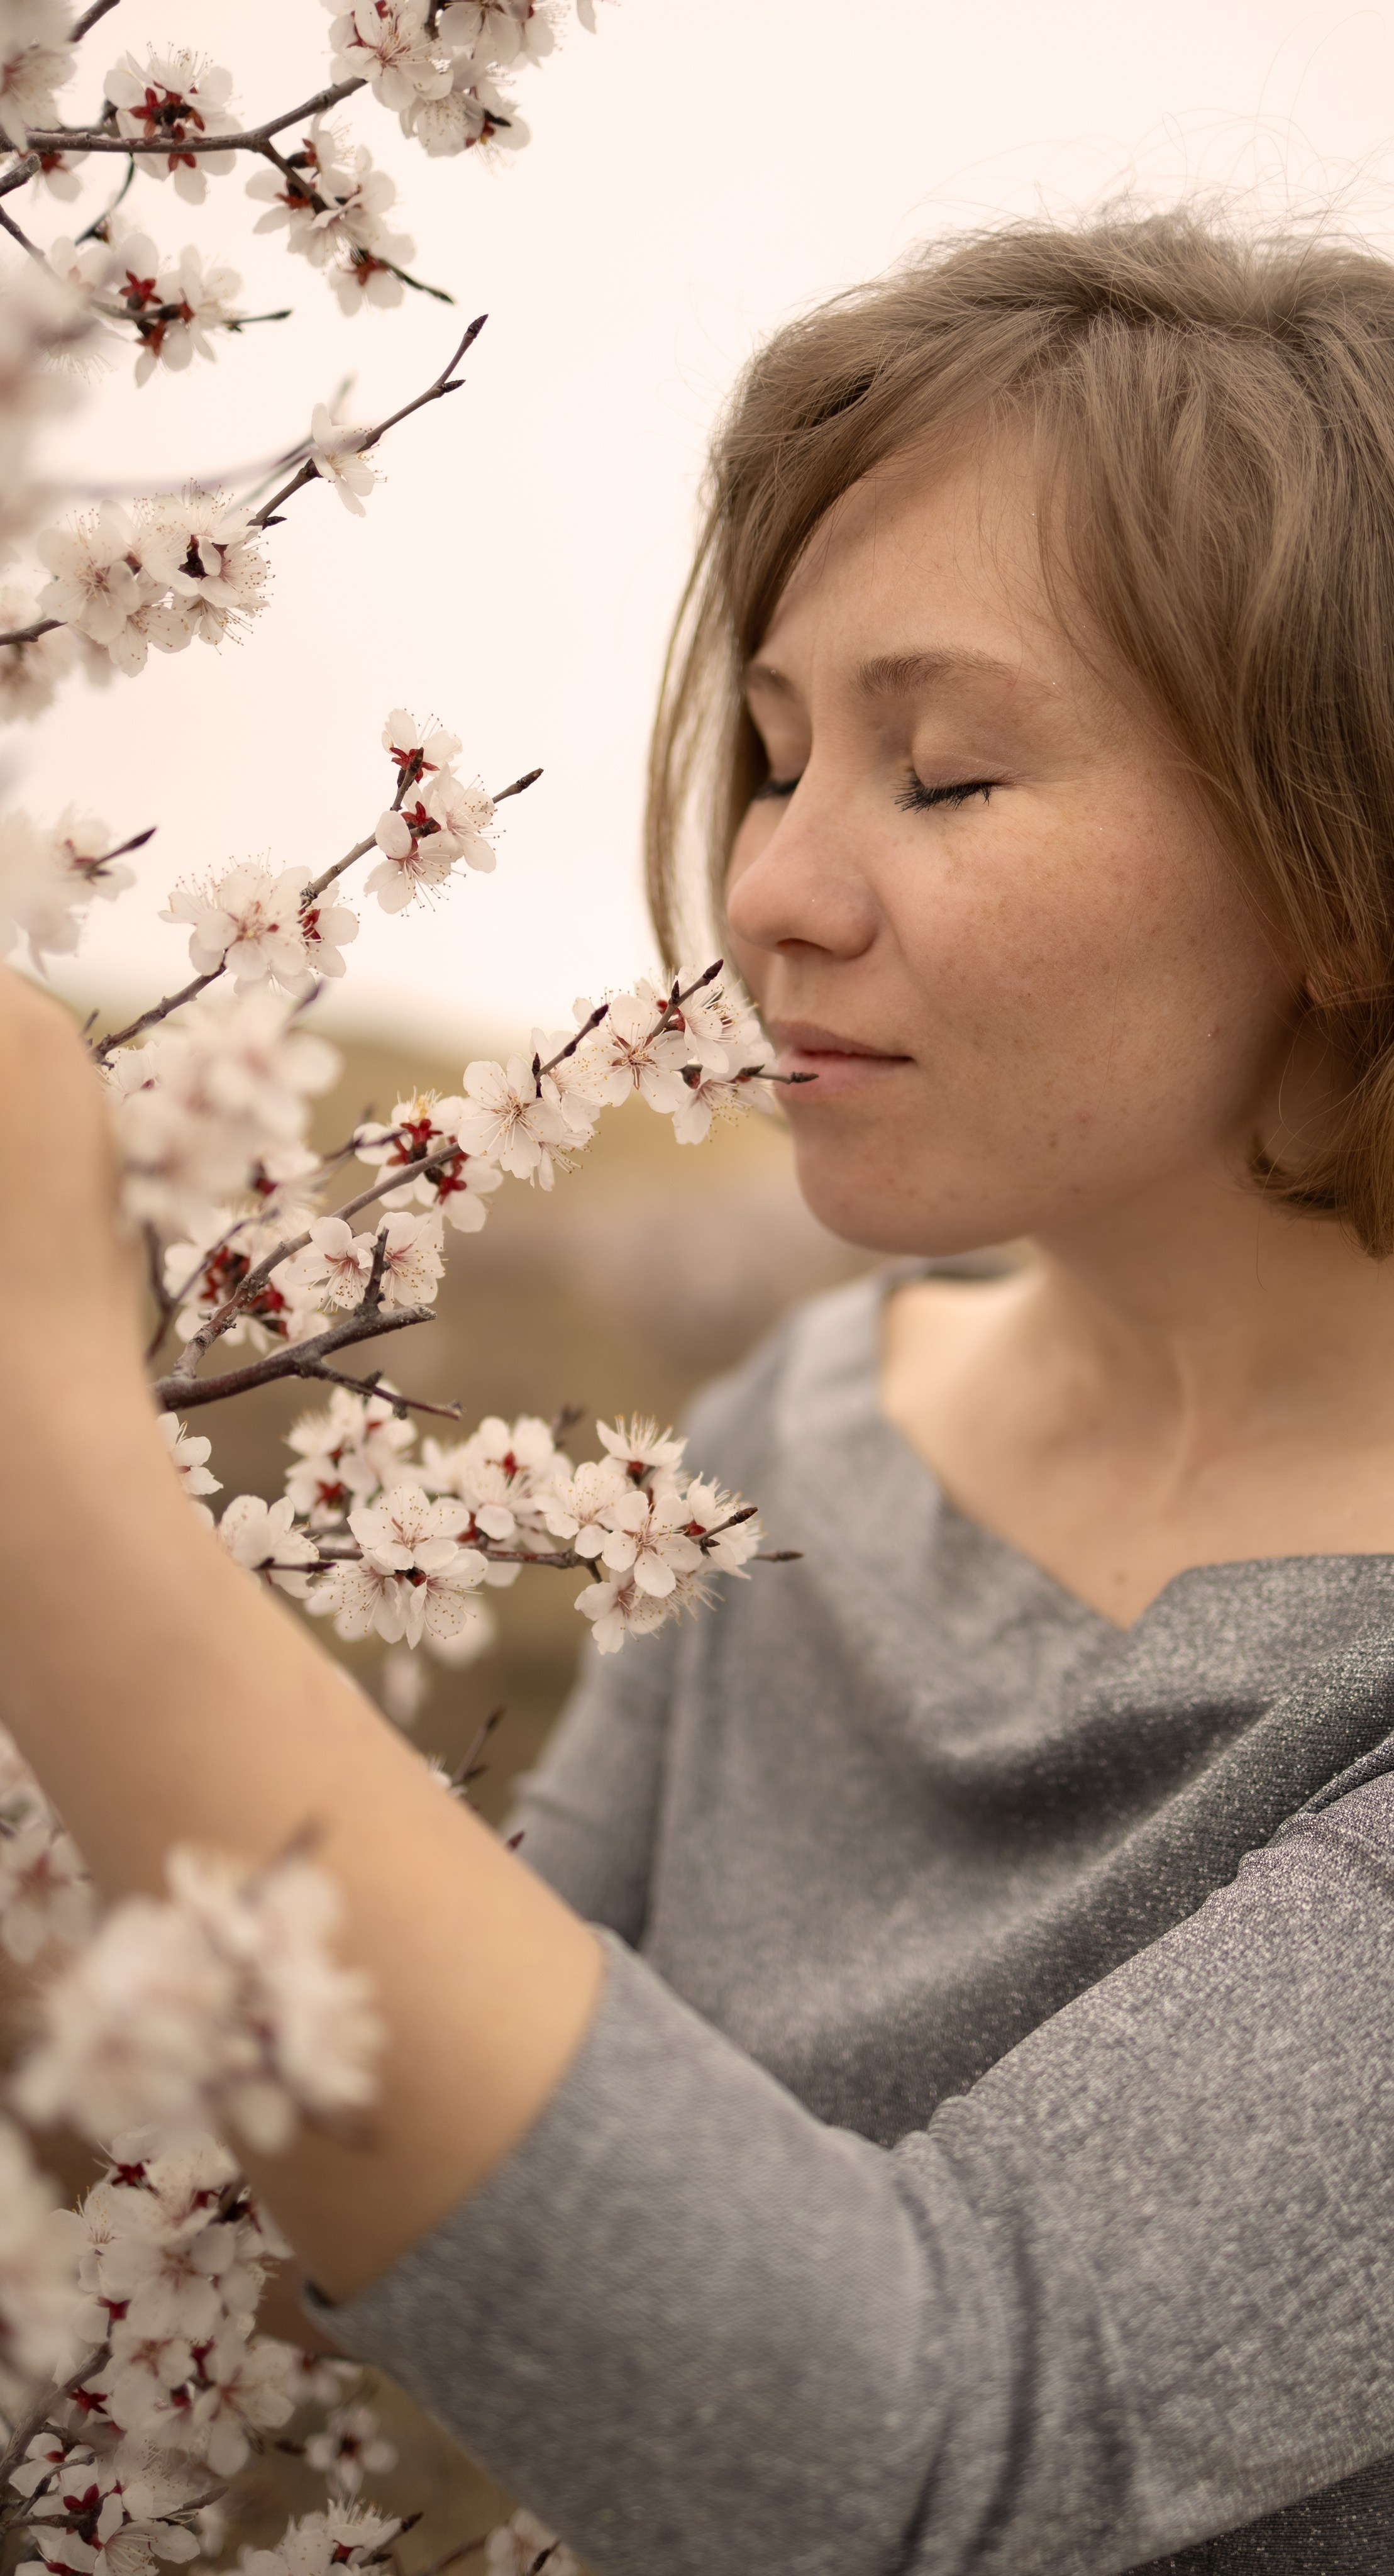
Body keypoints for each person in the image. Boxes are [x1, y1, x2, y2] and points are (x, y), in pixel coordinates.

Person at [9, 208, 1394, 2573]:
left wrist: (53, 1463)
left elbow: (907, 2454)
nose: (768, 893)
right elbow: (471, 2178)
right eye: (771, 760)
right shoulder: (803, 1432)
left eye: (940, 775)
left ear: (1341, 847)